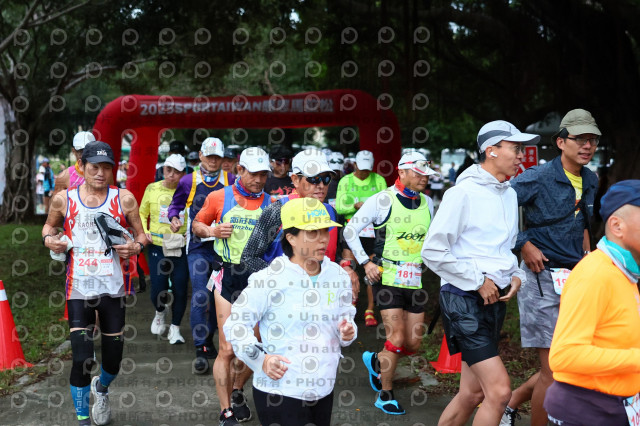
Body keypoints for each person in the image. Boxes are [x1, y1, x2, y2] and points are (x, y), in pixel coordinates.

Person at [422, 120, 539, 425]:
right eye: (515, 148)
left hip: (494, 299)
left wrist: (517, 276)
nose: (521, 155)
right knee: (499, 392)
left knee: (472, 393)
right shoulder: (462, 193)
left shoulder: (509, 194)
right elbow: (432, 251)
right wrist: (477, 281)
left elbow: (504, 248)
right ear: (491, 150)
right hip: (463, 298)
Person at [501, 109, 600, 425]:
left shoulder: (591, 179)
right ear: (560, 142)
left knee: (570, 363)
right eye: (580, 139)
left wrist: (589, 261)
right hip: (540, 278)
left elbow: (582, 224)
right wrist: (523, 243)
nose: (587, 145)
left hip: (576, 279)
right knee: (554, 369)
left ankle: (511, 402)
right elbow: (498, 209)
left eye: (592, 140)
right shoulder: (537, 177)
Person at [224, 197, 357, 426]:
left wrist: (348, 331)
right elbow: (235, 325)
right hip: (280, 390)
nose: (323, 239)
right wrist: (261, 360)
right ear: (291, 238)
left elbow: (347, 319)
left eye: (325, 231)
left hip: (323, 387)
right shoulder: (270, 279)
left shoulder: (337, 276)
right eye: (312, 232)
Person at [42, 141, 146, 426]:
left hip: (112, 289)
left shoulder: (124, 199)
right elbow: (49, 227)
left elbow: (142, 235)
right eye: (94, 167)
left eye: (106, 168)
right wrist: (49, 239)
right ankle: (83, 418)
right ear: (82, 166)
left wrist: (136, 247)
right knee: (82, 358)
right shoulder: (63, 199)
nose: (101, 173)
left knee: (113, 361)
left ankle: (101, 387)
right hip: (78, 288)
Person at [345, 151, 436, 415]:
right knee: (395, 337)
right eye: (418, 173)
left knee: (412, 344)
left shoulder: (428, 203)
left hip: (415, 279)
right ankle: (385, 394)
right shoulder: (383, 199)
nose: (424, 178)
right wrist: (366, 263)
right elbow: (350, 230)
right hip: (386, 277)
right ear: (402, 172)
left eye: (426, 174)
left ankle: (377, 360)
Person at [544, 180, 640, 425]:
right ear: (617, 226)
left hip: (616, 405)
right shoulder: (595, 274)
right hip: (587, 409)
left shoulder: (623, 272)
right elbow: (564, 355)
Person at [192, 147, 272, 425]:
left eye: (264, 175)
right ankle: (225, 410)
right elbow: (197, 225)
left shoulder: (272, 204)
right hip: (227, 275)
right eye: (254, 174)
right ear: (240, 170)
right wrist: (212, 231)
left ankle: (237, 390)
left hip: (258, 279)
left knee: (255, 347)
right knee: (227, 349)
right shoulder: (219, 197)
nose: (259, 180)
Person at [237, 147, 359, 301]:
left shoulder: (331, 212)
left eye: (326, 179)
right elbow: (248, 257)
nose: (321, 185)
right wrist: (282, 280)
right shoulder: (277, 210)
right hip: (281, 300)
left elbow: (339, 248)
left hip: (322, 299)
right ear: (295, 180)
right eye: (314, 179)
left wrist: (346, 266)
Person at [168, 137, 235, 374]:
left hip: (223, 248)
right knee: (199, 295)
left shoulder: (231, 180)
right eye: (209, 156)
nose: (213, 161)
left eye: (217, 157)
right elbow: (175, 206)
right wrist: (174, 218)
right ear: (200, 155)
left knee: (218, 297)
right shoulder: (188, 181)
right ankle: (200, 348)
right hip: (197, 247)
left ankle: (208, 340)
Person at [139, 154, 189, 344]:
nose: (171, 174)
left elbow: (198, 214)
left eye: (177, 171)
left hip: (180, 246)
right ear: (163, 169)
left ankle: (175, 329)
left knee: (180, 289)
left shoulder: (189, 190)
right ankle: (160, 311)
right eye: (169, 169)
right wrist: (145, 232)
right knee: (157, 288)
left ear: (183, 174)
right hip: (157, 246)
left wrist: (191, 233)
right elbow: (142, 213)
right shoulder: (152, 188)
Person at [336, 149, 387, 328]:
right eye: (361, 168)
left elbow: (386, 206)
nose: (364, 172)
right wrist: (355, 206)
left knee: (372, 271)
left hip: (372, 232)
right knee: (349, 269)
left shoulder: (379, 180)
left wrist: (370, 210)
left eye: (367, 169)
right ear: (355, 165)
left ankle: (370, 310)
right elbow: (339, 207)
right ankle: (349, 307)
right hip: (352, 229)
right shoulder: (345, 181)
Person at [53, 131, 111, 196]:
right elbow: (57, 201)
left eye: (89, 151)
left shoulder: (104, 174)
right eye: (81, 151)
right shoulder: (64, 177)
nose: (84, 155)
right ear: (74, 151)